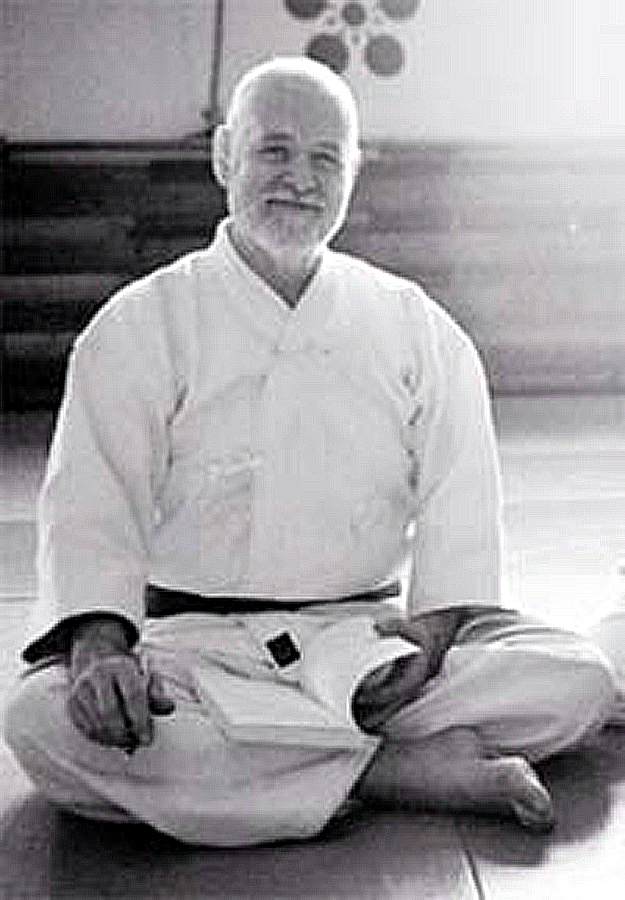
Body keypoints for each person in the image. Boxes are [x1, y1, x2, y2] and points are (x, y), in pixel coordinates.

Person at [3, 57, 619, 847]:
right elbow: (93, 507)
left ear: (352, 174)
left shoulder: (413, 326)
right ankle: (394, 772)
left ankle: (285, 770)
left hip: (370, 649)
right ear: (224, 155)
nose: (300, 178)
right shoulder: (138, 325)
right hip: (192, 654)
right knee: (43, 723)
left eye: (325, 158)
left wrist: (429, 640)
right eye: (274, 150)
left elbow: (458, 505)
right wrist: (100, 652)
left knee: (573, 681)